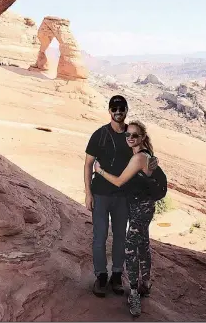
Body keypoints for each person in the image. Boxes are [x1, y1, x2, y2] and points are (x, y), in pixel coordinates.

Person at [83, 96, 157, 298]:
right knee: (99, 237)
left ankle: (116, 275)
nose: (118, 111)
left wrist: (153, 164)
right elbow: (88, 164)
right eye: (114, 108)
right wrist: (88, 193)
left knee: (120, 237)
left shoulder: (130, 135)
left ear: (126, 110)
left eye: (121, 108)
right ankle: (100, 276)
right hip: (100, 193)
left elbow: (144, 154)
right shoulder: (99, 134)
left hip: (122, 195)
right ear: (109, 110)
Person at [94, 120, 156, 317]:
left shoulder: (139, 158)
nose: (130, 138)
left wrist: (100, 171)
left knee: (130, 249)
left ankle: (135, 293)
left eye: (134, 135)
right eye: (127, 135)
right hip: (145, 207)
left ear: (142, 137)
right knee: (143, 243)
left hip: (139, 208)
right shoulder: (144, 154)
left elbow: (120, 182)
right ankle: (146, 283)